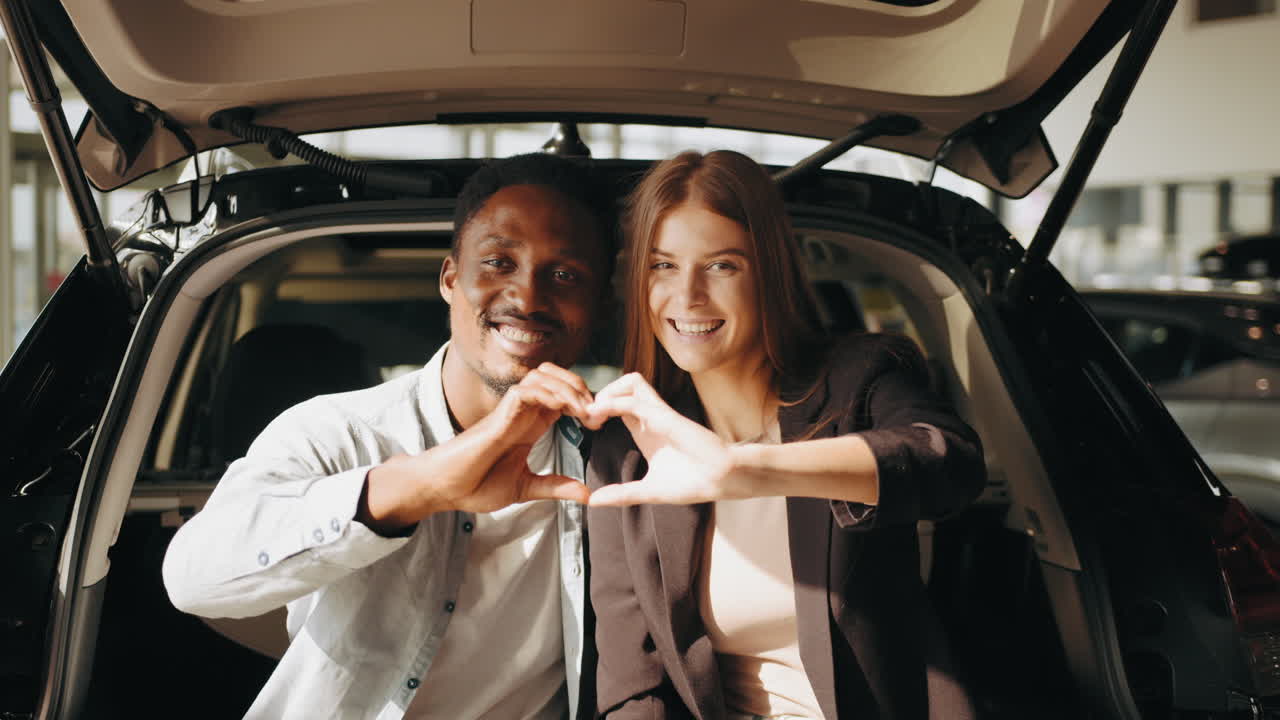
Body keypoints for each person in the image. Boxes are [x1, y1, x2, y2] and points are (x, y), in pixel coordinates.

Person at [163, 153, 616, 720]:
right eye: (499, 262)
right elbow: (193, 579)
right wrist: (417, 488)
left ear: (596, 306)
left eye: (565, 274)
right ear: (451, 279)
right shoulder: (338, 430)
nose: (526, 297)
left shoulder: (621, 461)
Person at [582, 150, 987, 719]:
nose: (688, 295)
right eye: (663, 266)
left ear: (769, 271)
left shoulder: (858, 379)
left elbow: (949, 460)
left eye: (721, 265)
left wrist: (741, 469)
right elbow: (633, 683)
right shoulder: (626, 451)